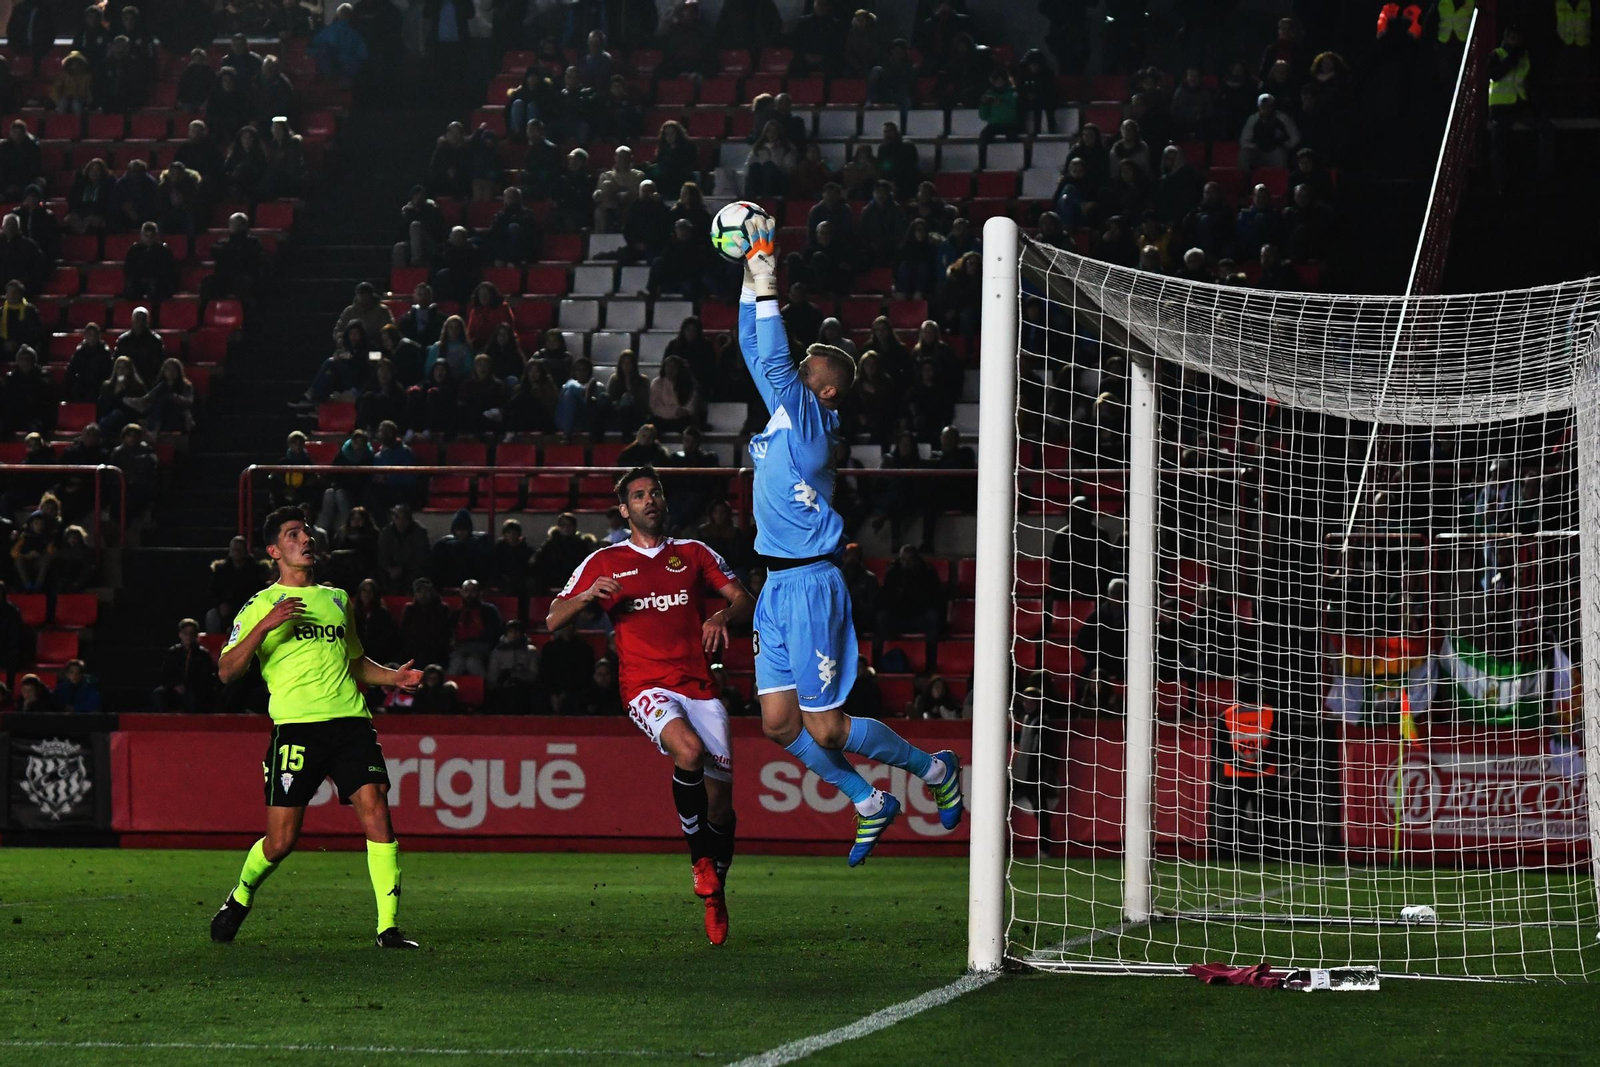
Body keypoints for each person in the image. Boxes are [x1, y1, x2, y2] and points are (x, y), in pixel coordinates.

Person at [727, 217, 963, 865]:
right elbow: (753, 345)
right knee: (778, 723)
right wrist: (749, 273)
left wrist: (768, 274)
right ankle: (868, 800)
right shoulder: (788, 411)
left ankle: (934, 768)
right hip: (775, 584)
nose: (798, 368)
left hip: (811, 583)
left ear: (827, 389)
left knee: (827, 727)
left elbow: (772, 355)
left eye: (810, 367)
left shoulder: (810, 420)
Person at [547, 466, 753, 943]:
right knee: (689, 751)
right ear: (624, 510)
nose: (649, 500)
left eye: (655, 492)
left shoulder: (694, 553)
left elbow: (743, 599)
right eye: (639, 495)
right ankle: (700, 863)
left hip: (698, 686)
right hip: (644, 686)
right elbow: (554, 618)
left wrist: (722, 615)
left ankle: (716, 893)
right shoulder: (604, 560)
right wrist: (587, 596)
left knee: (721, 809)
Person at [210, 507, 423, 948]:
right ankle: (241, 895)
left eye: (306, 532)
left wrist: (393, 677)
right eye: (293, 534)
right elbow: (227, 671)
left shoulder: (338, 599)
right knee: (281, 841)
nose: (306, 539)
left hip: (350, 722)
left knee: (376, 808)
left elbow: (355, 662)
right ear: (274, 551)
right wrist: (265, 626)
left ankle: (388, 928)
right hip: (296, 728)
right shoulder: (260, 605)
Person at [152, 617, 216, 711]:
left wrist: (189, 687)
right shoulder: (173, 652)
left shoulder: (203, 655)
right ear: (180, 634)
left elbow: (206, 679)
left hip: (195, 690)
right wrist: (175, 685)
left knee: (194, 696)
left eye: (192, 633)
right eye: (185, 633)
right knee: (158, 693)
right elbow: (165, 675)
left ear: (196, 635)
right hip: (175, 688)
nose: (188, 636)